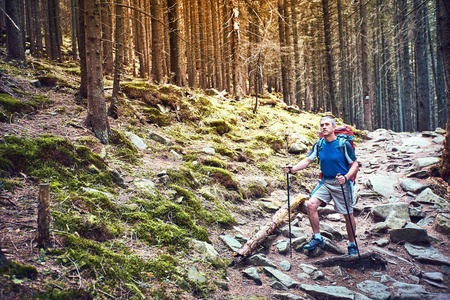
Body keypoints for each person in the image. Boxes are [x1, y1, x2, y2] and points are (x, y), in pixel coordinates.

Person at [284, 116, 359, 255]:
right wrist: (292, 169)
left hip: (341, 183)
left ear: (334, 128)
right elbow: (307, 161)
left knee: (348, 215)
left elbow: (355, 164)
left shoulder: (343, 145)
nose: (324, 127)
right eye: (322, 125)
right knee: (311, 205)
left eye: (327, 124)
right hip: (325, 182)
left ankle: (352, 244)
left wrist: (347, 177)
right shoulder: (319, 145)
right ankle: (317, 238)